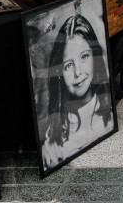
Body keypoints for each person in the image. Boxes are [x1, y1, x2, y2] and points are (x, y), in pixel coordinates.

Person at [41, 15, 113, 169]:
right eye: (68, 65)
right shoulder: (53, 135)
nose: (78, 72)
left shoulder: (110, 116)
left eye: (84, 57)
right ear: (59, 73)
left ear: (95, 56)